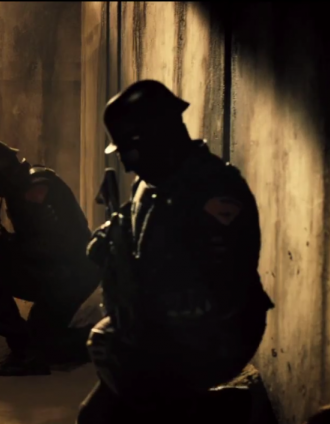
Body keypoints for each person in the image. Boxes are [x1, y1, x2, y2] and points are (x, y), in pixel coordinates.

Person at [76, 80, 274, 423]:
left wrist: (145, 319)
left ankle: (213, 410)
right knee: (95, 416)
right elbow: (136, 233)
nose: (127, 165)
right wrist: (111, 242)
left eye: (130, 153)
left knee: (118, 361)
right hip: (159, 328)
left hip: (217, 332)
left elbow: (222, 286)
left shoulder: (213, 189)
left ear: (155, 138)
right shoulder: (150, 184)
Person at [0, 139, 102, 377]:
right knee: (44, 340)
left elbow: (56, 247)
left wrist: (8, 246)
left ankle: (25, 355)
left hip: (67, 276)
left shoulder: (34, 190)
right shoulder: (29, 183)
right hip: (68, 274)